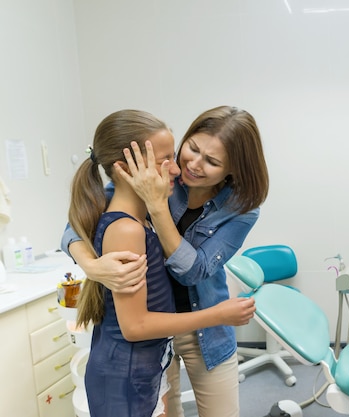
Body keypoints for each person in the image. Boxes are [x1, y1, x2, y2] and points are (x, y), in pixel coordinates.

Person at [62, 106, 270, 417]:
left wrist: (157, 208)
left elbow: (194, 271)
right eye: (192, 149)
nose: (191, 166)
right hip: (155, 332)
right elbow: (75, 226)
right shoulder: (151, 178)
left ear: (233, 170)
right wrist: (91, 267)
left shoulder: (240, 207)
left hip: (204, 330)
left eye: (212, 162)